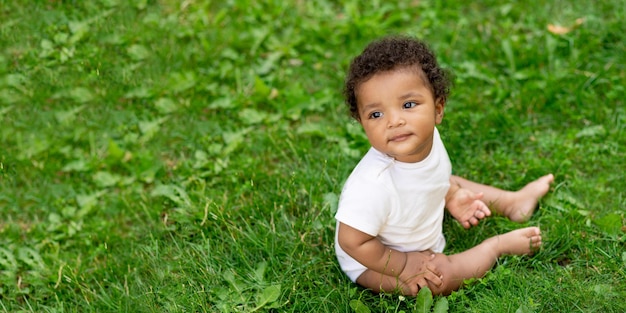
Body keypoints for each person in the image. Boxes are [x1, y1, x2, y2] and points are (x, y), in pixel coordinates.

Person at [334, 35, 555, 296]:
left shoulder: (427, 141)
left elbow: (433, 177)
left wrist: (451, 195)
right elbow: (352, 241)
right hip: (376, 261)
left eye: (408, 105)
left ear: (438, 109)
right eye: (376, 114)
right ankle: (495, 247)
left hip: (411, 212)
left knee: (452, 180)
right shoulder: (373, 186)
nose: (393, 121)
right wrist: (403, 264)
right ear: (362, 124)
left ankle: (512, 202)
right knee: (434, 281)